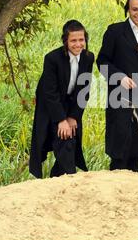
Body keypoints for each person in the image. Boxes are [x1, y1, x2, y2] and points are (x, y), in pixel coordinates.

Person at [96, 0, 138, 172]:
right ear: (127, 10)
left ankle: (135, 189)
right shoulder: (115, 31)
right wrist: (119, 77)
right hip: (118, 95)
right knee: (119, 144)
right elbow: (101, 61)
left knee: (137, 144)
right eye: (135, 9)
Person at [30, 20, 94, 178]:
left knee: (70, 139)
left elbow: (83, 90)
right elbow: (49, 93)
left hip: (72, 106)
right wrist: (61, 120)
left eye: (81, 40)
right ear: (65, 41)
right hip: (51, 106)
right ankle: (69, 177)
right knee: (63, 137)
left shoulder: (88, 57)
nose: (78, 44)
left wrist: (73, 117)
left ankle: (58, 177)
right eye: (73, 40)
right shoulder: (52, 59)